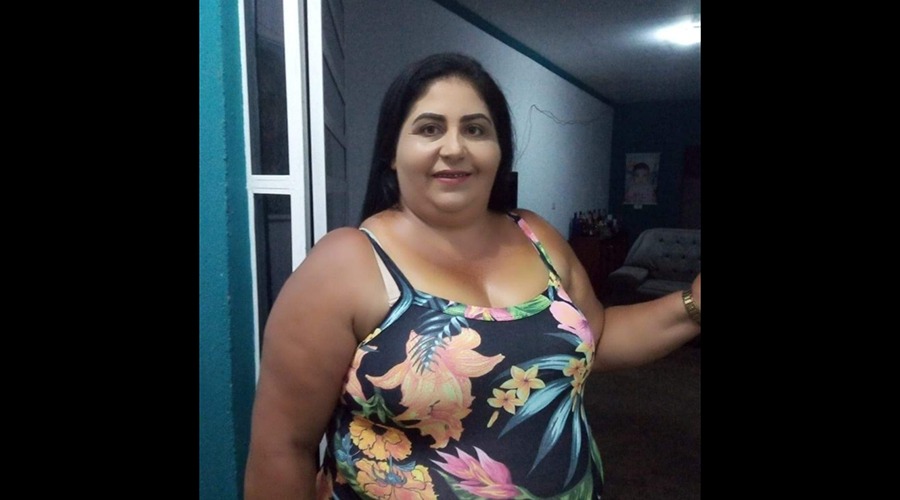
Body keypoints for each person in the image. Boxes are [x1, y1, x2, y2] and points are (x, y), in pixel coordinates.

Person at [243, 52, 701, 499]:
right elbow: (282, 449)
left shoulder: (536, 235)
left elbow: (596, 337)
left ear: (499, 151)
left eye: (475, 129)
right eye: (429, 128)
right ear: (391, 153)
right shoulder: (347, 263)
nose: (454, 148)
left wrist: (692, 305)